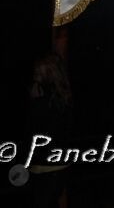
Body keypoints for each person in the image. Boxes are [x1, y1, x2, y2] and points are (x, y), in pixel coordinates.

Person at [28, 51, 73, 208]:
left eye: (40, 70)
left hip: (47, 164)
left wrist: (35, 103)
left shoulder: (49, 99)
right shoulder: (62, 97)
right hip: (53, 163)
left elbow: (39, 128)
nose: (36, 73)